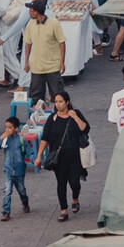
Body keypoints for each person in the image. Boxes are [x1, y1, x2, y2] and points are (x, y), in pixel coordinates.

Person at [36, 90, 91, 222]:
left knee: (74, 183)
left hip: (74, 156)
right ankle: (63, 209)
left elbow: (85, 128)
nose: (58, 104)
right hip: (58, 158)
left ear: (67, 102)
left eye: (61, 101)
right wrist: (38, 156)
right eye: (56, 102)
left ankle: (75, 198)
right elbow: (45, 138)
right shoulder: (52, 118)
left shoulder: (76, 114)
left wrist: (74, 117)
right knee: (61, 183)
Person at [22, 0, 67, 103]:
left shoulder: (53, 23)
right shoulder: (30, 24)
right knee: (35, 97)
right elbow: (28, 44)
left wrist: (62, 62)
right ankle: (35, 118)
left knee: (58, 95)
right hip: (36, 67)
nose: (29, 13)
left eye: (31, 11)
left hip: (52, 66)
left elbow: (62, 42)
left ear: (37, 12)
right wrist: (26, 62)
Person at [0, 113, 30, 220]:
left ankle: (25, 202)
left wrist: (35, 160)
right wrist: (1, 138)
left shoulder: (21, 140)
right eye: (6, 127)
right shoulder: (5, 139)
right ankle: (6, 212)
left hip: (19, 170)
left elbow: (29, 153)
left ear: (16, 128)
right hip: (8, 170)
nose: (7, 130)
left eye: (10, 127)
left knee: (21, 190)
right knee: (7, 190)